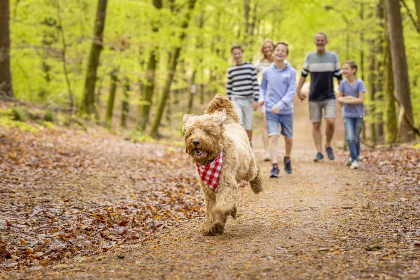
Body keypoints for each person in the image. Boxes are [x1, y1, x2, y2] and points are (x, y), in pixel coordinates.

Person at [296, 32, 342, 162]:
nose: (320, 42)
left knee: (330, 121)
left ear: (326, 42)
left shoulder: (333, 56)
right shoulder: (310, 57)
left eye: (322, 40)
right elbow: (303, 75)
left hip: (329, 96)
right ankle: (319, 152)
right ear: (315, 42)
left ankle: (327, 145)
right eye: (317, 40)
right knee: (316, 124)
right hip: (314, 96)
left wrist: (342, 95)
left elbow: (339, 77)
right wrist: (298, 90)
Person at [258, 42, 296, 178]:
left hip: (286, 111)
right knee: (273, 136)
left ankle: (287, 158)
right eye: (277, 50)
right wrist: (261, 99)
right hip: (270, 110)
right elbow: (262, 88)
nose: (279, 52)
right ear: (273, 53)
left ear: (286, 55)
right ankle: (274, 166)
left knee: (288, 139)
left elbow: (291, 91)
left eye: (282, 51)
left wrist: (280, 105)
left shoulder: (291, 72)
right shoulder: (267, 71)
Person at [226, 45, 259, 143]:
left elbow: (255, 84)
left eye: (238, 53)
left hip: (248, 99)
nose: (237, 55)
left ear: (242, 53)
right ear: (232, 55)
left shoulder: (250, 67)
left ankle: (249, 144)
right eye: (234, 54)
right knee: (238, 123)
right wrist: (228, 103)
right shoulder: (231, 70)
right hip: (236, 99)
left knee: (248, 125)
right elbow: (229, 88)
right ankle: (240, 144)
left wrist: (256, 100)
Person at [337, 61, 365, 169]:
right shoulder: (343, 84)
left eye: (346, 69)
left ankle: (355, 156)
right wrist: (343, 99)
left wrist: (347, 100)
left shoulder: (360, 83)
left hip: (358, 114)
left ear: (353, 70)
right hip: (347, 114)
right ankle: (354, 160)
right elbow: (339, 99)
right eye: (343, 69)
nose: (344, 71)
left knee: (356, 138)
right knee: (350, 138)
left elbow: (361, 100)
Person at [255, 39, 275, 161]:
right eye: (265, 48)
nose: (267, 50)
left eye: (269, 47)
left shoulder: (279, 62)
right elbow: (251, 76)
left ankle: (273, 149)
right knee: (266, 125)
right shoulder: (260, 63)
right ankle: (267, 151)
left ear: (273, 48)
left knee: (275, 126)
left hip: (277, 98)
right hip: (264, 97)